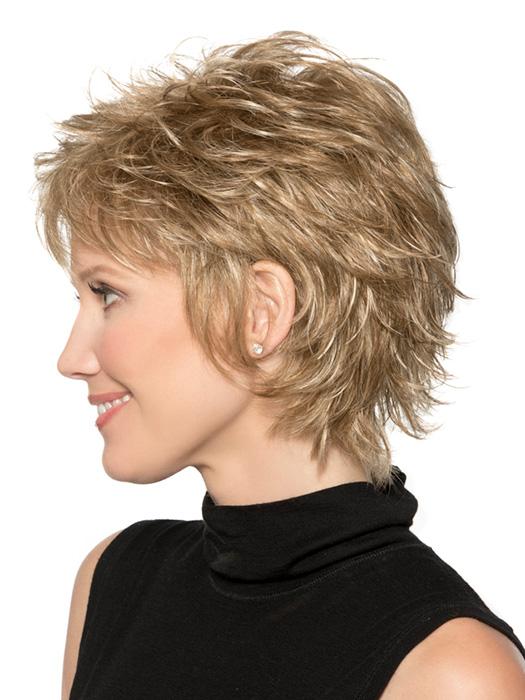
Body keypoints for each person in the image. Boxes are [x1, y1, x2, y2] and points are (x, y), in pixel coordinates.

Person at [33, 30, 525, 699]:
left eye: (108, 294)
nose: (71, 358)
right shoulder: (117, 580)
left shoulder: (445, 671)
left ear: (259, 312)